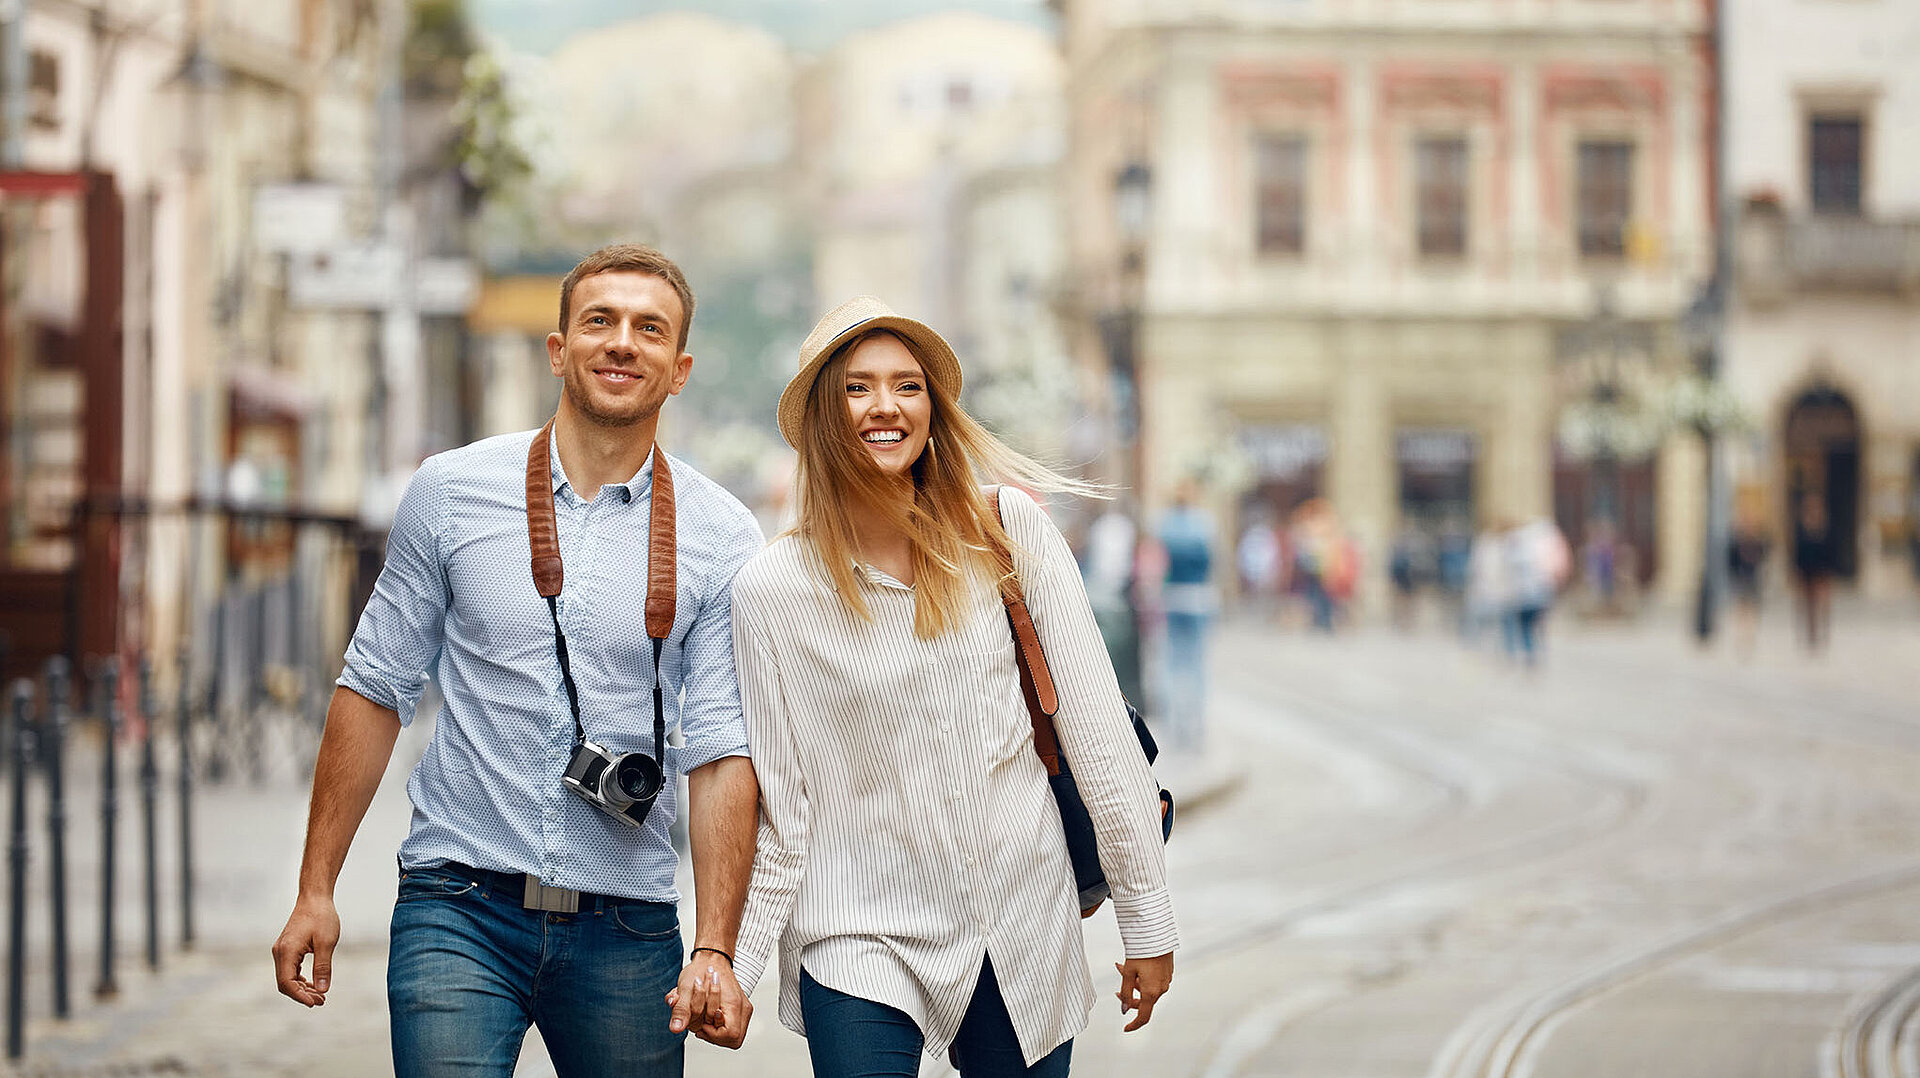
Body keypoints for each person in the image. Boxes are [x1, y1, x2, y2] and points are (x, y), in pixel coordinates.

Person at [270, 244, 765, 1076]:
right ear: (558, 349)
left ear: (679, 371)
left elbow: (721, 749)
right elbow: (374, 686)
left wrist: (716, 947)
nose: (622, 342)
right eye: (600, 320)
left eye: (649, 329)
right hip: (459, 904)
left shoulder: (722, 534)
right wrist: (316, 888)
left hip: (628, 925)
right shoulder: (450, 491)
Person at [728, 297, 1178, 1078]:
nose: (886, 406)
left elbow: (1099, 736)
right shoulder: (770, 591)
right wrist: (731, 968)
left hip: (1018, 916)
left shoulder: (1007, 533)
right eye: (858, 387)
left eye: (908, 386)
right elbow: (784, 808)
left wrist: (1148, 922)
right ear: (822, 417)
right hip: (858, 927)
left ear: (932, 409)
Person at [1158, 479, 1216, 751]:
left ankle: (1176, 720)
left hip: (1172, 597)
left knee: (1173, 661)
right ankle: (1196, 720)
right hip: (1198, 597)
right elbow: (1212, 561)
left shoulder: (1165, 525)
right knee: (1196, 663)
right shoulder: (1204, 524)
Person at [1791, 492, 1838, 653]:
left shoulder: (1825, 528)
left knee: (1822, 604)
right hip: (1805, 571)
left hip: (1821, 572)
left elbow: (1831, 551)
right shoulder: (1801, 527)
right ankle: (1810, 635)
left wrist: (1829, 571)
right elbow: (1797, 551)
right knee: (1807, 605)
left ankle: (1823, 633)